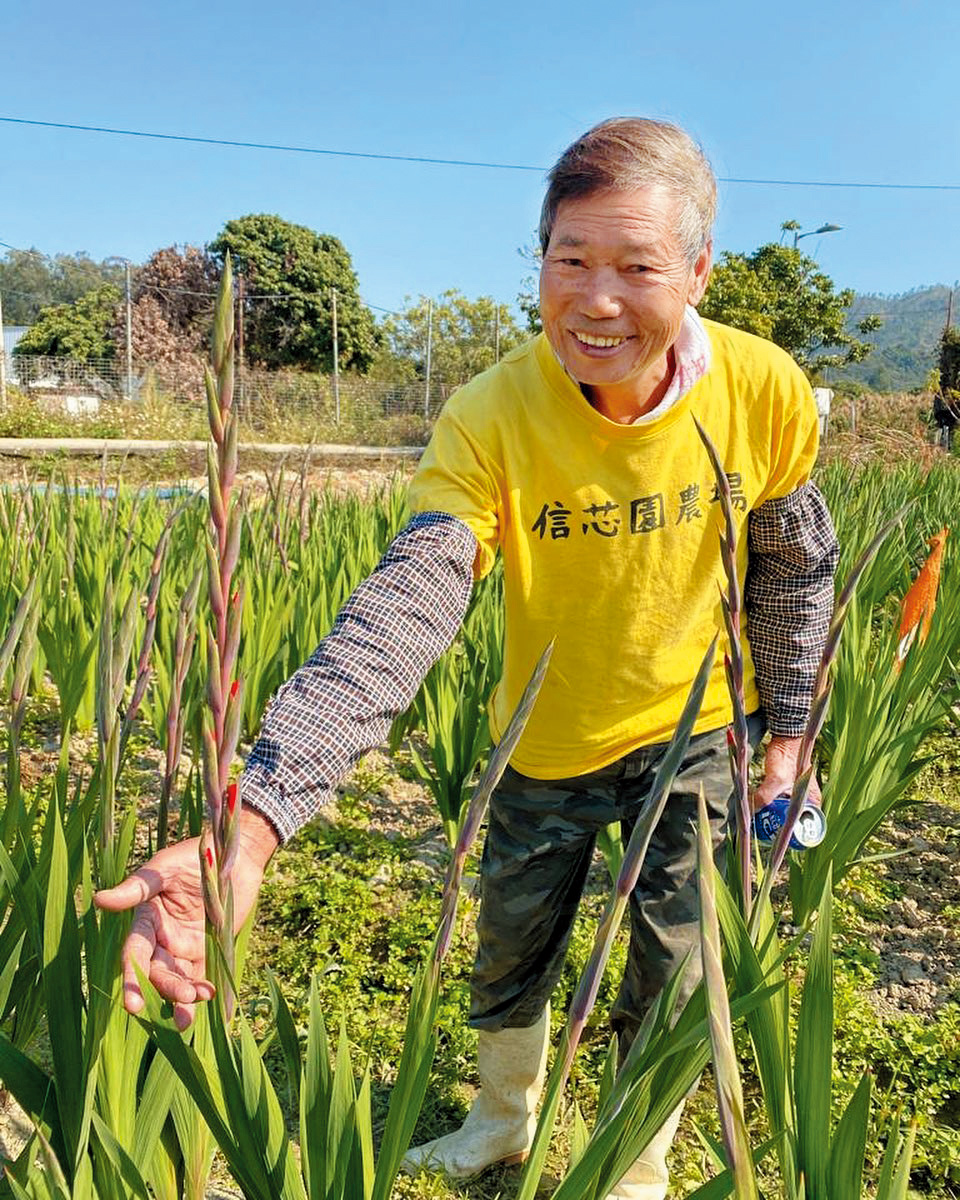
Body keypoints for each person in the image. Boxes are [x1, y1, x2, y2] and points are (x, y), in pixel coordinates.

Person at [96, 118, 838, 1200]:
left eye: (636, 266)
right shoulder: (490, 415)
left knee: (680, 966)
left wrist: (789, 736)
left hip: (703, 733)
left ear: (698, 271)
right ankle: (501, 1117)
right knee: (511, 945)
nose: (596, 300)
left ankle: (636, 1165)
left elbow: (798, 566)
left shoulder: (761, 389)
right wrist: (248, 827)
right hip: (546, 737)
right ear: (537, 260)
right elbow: (407, 606)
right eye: (569, 260)